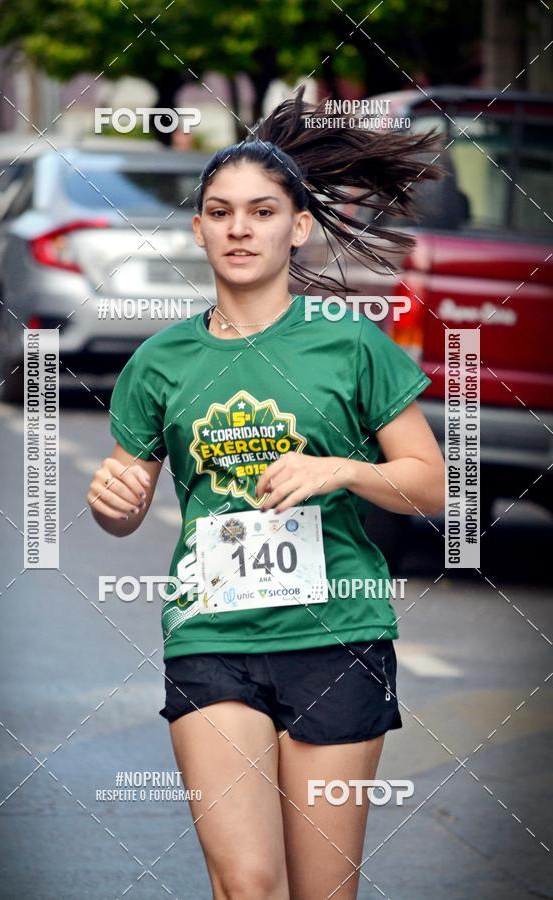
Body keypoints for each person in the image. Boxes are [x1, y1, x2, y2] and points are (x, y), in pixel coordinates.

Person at [87, 86, 446, 900]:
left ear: (299, 227)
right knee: (247, 884)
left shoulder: (352, 346)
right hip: (211, 632)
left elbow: (433, 485)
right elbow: (125, 497)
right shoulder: (161, 362)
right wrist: (113, 504)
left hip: (338, 633)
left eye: (261, 211)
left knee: (322, 890)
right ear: (199, 228)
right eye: (221, 212)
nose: (240, 229)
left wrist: (341, 470)